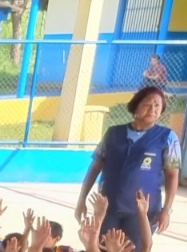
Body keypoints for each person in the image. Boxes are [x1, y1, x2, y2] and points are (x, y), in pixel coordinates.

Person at [77, 85, 181, 243]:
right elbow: (95, 167)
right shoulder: (113, 133)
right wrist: (81, 200)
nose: (153, 109)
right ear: (135, 106)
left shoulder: (167, 137)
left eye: (157, 105)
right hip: (108, 207)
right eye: (147, 104)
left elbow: (172, 175)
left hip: (142, 210)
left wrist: (166, 210)